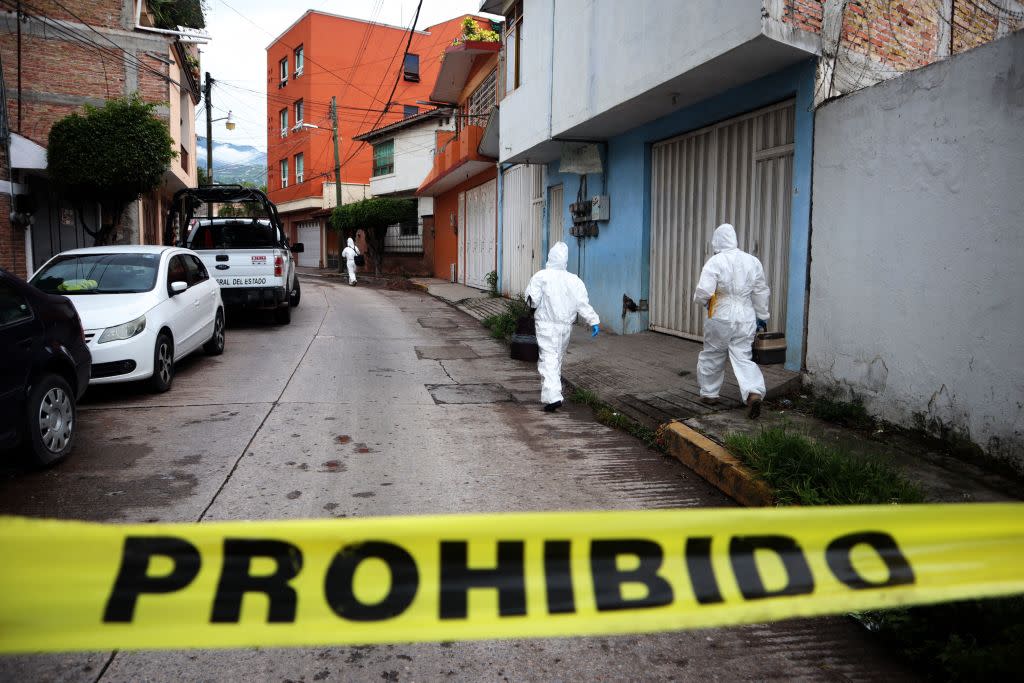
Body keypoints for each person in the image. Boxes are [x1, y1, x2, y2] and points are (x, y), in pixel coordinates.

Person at [692, 223, 771, 419]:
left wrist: (703, 302)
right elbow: (761, 291)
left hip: (720, 314)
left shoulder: (715, 261)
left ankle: (710, 394)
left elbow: (704, 291)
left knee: (713, 353)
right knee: (743, 356)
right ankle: (753, 393)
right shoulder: (753, 261)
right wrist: (762, 316)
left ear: (717, 241)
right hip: (745, 315)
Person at [524, 241, 600, 412]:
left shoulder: (541, 276)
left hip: (546, 324)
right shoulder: (574, 280)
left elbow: (531, 301)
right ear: (565, 260)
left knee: (548, 359)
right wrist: (593, 320)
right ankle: (554, 390)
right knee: (557, 358)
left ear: (550, 257)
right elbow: (582, 304)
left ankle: (553, 397)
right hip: (565, 327)